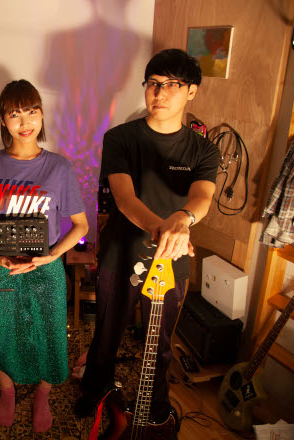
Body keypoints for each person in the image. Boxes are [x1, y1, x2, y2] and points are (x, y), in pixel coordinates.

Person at [74, 49, 220, 422]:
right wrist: (165, 227)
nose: (160, 93)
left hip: (174, 256)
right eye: (153, 83)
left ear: (191, 91)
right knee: (107, 332)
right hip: (121, 252)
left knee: (160, 342)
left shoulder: (204, 149)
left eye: (172, 84)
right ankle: (95, 390)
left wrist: (183, 219)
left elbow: (202, 197)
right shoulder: (120, 138)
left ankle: (155, 404)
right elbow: (124, 199)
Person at [0, 79, 88, 432]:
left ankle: (43, 393)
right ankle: (8, 391)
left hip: (46, 268)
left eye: (31, 111)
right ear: (3, 120)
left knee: (49, 333)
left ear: (42, 114)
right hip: (3, 267)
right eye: (14, 114)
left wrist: (52, 256)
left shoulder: (59, 167)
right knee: (3, 333)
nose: (24, 121)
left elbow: (80, 225)